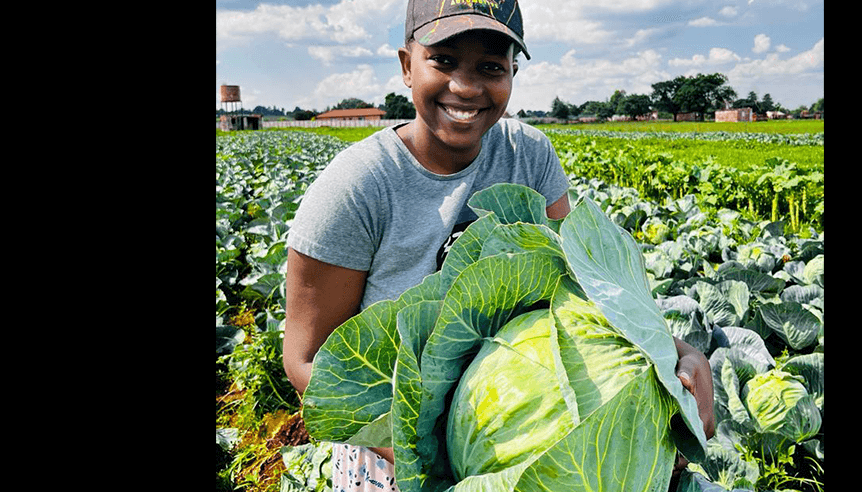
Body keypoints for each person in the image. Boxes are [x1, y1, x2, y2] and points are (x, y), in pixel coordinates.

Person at [282, 1, 714, 490]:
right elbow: (308, 359)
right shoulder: (358, 186)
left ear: (512, 72)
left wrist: (679, 353)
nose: (465, 87)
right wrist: (431, 452)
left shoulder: (529, 155)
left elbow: (588, 284)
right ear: (407, 66)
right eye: (442, 61)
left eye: (491, 67)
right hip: (390, 459)